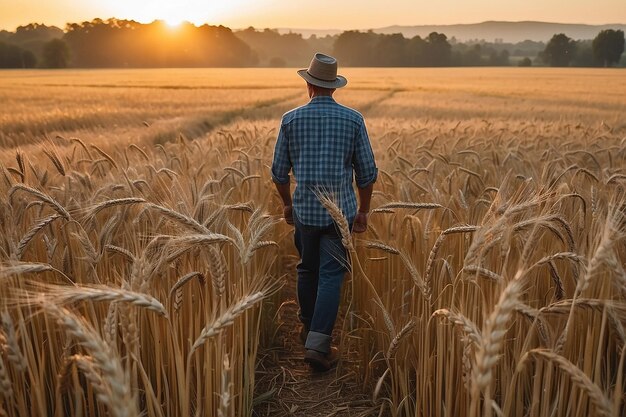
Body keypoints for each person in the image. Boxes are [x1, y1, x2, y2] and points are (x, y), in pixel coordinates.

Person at [271, 53, 378, 371]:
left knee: (307, 270)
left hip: (304, 212)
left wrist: (287, 204)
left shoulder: (290, 119)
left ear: (309, 85)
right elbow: (368, 173)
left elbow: (278, 173)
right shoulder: (353, 120)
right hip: (339, 215)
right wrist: (363, 211)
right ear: (333, 86)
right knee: (331, 275)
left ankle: (308, 328)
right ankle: (318, 345)